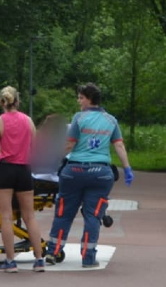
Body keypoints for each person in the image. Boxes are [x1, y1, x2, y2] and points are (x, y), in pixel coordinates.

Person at [47, 83, 134, 268]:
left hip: (74, 173)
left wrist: (55, 161)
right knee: (93, 216)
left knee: (64, 213)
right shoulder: (111, 121)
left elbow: (70, 145)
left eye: (81, 98)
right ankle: (88, 257)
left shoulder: (79, 118)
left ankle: (53, 252)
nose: (79, 101)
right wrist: (127, 168)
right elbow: (119, 146)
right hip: (100, 174)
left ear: (89, 99)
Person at [0, 86, 45, 272]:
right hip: (24, 169)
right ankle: (39, 259)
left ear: (1, 102)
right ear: (17, 102)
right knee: (30, 216)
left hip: (5, 169)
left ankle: (11, 261)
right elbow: (36, 147)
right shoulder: (28, 120)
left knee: (6, 216)